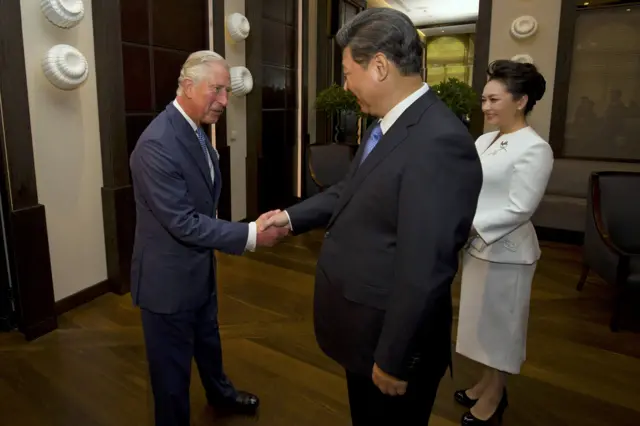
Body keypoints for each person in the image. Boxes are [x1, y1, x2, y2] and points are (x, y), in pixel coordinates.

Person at [262, 8, 483, 426]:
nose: (345, 87)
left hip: (391, 343)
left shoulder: (438, 142)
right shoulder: (390, 126)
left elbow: (425, 269)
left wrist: (394, 357)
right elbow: (352, 190)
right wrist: (291, 218)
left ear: (380, 66)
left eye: (348, 73)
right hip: (365, 331)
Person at [129, 50, 288, 426]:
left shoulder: (194, 129)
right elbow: (183, 222)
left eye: (226, 91)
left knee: (208, 342)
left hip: (198, 267)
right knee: (171, 378)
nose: (223, 100)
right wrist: (250, 234)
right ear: (187, 86)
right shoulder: (156, 144)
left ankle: (220, 394)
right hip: (166, 283)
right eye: (216, 90)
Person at [454, 59, 553, 425]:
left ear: (521, 100)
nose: (485, 107)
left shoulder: (534, 148)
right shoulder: (485, 139)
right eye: (484, 99)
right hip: (478, 249)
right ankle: (485, 380)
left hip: (508, 253)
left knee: (502, 328)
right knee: (482, 325)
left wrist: (467, 226)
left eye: (494, 99)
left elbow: (520, 207)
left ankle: (496, 395)